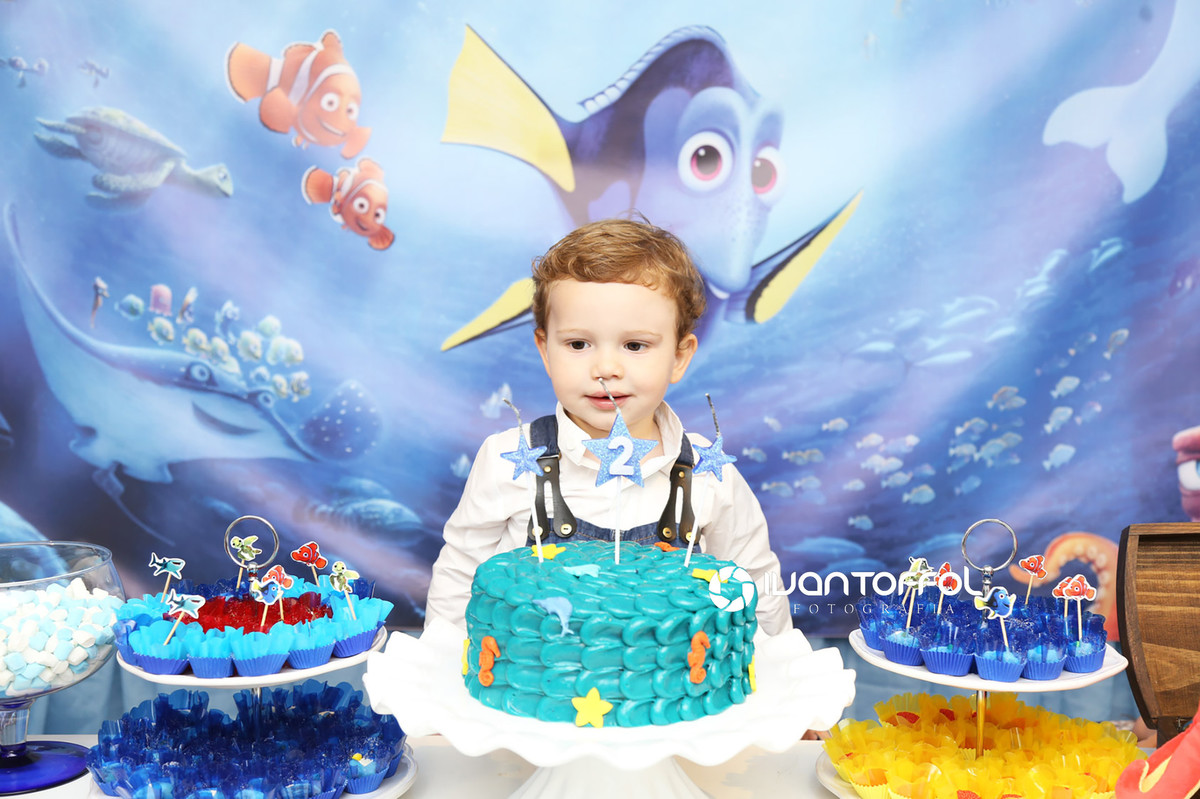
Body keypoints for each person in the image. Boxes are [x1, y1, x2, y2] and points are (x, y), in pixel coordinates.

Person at [424, 217, 792, 636]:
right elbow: (459, 577)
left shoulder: (709, 476)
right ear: (545, 350)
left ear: (679, 356)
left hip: (675, 674)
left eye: (635, 345)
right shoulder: (507, 460)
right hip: (529, 673)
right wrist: (440, 657)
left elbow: (756, 587)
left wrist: (775, 660)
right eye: (578, 344)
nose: (605, 368)